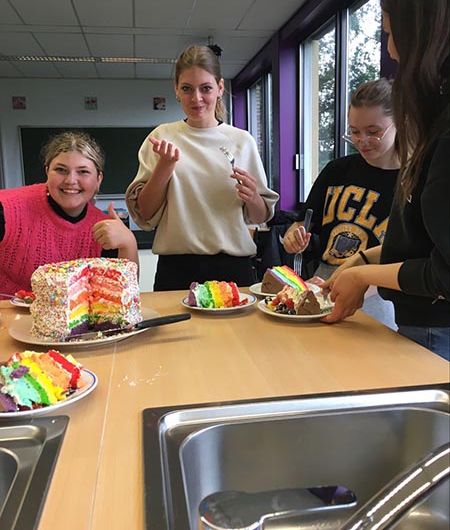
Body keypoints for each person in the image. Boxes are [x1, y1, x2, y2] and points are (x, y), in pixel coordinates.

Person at [321, 0, 450, 360]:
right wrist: (360, 259)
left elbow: (443, 272)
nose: (391, 51)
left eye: (392, 35)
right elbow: (419, 241)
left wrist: (363, 275)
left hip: (436, 328)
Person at [126, 44, 279, 290]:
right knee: (177, 331)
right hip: (176, 269)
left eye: (206, 88)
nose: (196, 99)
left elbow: (260, 217)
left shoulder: (241, 141)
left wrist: (252, 197)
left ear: (220, 88)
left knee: (235, 331)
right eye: (187, 89)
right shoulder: (162, 136)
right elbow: (145, 213)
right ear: (176, 89)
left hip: (233, 267)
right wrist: (165, 167)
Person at [283, 78, 399, 326]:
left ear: (399, 122)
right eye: (354, 132)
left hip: (378, 295)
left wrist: (356, 284)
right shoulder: (337, 170)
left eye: (373, 132)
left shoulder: (412, 179)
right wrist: (293, 237)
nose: (362, 141)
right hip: (322, 283)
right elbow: (302, 224)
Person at [0, 131, 139, 297]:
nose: (71, 181)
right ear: (47, 172)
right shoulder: (7, 209)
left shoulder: (102, 229)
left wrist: (128, 242)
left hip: (74, 321)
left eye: (83, 172)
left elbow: (122, 297)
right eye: (61, 170)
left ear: (98, 179)